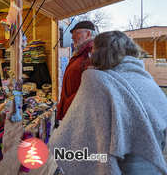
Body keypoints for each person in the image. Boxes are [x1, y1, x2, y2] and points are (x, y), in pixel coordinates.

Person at [50, 31, 167, 174]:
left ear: (100, 53)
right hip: (151, 163)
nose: (90, 57)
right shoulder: (145, 78)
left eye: (92, 53)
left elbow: (67, 137)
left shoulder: (97, 80)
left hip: (122, 166)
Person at [56, 20, 97, 120]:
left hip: (79, 112)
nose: (72, 37)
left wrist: (69, 103)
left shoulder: (92, 54)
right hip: (73, 109)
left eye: (76, 33)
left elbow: (91, 89)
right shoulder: (80, 53)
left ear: (88, 34)